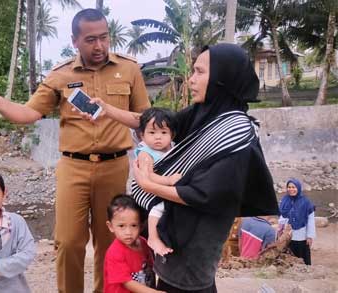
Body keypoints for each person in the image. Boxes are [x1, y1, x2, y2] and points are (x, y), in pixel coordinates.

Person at [0, 8, 150, 292]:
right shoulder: (60, 75)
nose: (99, 46)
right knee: (69, 241)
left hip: (115, 166)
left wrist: (110, 111)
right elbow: (28, 113)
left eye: (104, 37)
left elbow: (144, 120)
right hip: (74, 167)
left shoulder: (130, 69)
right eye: (90, 39)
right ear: (75, 40)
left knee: (109, 240)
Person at [129, 43, 279, 292]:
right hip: (176, 236)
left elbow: (204, 194)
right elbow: (153, 123)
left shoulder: (236, 132)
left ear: (221, 78)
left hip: (195, 247)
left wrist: (147, 184)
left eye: (199, 72)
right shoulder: (206, 112)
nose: (190, 80)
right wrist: (105, 111)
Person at [135, 108, 180, 256]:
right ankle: (153, 238)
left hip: (163, 189)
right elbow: (148, 175)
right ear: (142, 135)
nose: (158, 138)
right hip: (150, 192)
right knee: (159, 207)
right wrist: (167, 180)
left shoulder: (172, 148)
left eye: (163, 132)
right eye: (152, 133)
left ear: (171, 134)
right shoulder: (145, 153)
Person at [104, 194, 163, 293]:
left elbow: (150, 268)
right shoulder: (115, 252)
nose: (128, 232)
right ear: (110, 226)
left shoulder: (144, 243)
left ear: (141, 226)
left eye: (134, 225)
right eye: (121, 226)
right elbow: (127, 282)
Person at [279, 178, 315, 265]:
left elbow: (311, 220)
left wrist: (310, 236)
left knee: (302, 257)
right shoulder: (285, 200)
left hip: (301, 235)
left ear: (298, 188)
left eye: (293, 187)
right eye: (289, 187)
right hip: (288, 235)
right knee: (287, 256)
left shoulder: (306, 202)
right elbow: (281, 216)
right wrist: (281, 231)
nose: (291, 189)